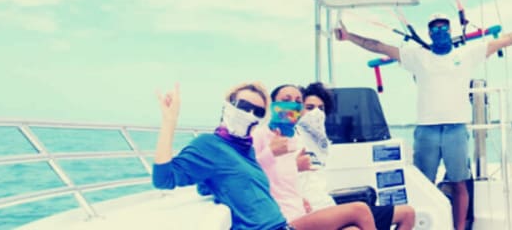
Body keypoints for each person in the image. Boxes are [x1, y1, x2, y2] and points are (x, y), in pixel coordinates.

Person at [335, 12, 512, 230]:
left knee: (459, 183)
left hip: (456, 129)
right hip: (426, 130)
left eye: (443, 27)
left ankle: (458, 228)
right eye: (435, 28)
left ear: (450, 30)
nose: (439, 31)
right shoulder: (417, 57)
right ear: (429, 32)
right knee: (423, 183)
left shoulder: (467, 54)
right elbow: (379, 46)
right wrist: (349, 36)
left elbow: (506, 39)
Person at [153, 81, 374, 230]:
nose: (249, 114)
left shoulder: (246, 149)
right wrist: (169, 121)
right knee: (360, 210)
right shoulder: (209, 145)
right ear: (228, 104)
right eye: (243, 105)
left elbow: (226, 181)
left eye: (257, 111)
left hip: (283, 224)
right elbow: (164, 178)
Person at [253, 84, 384, 229]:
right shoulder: (259, 135)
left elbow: (288, 186)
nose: (292, 105)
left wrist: (301, 199)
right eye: (286, 99)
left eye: (297, 102)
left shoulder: (296, 138)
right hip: (281, 219)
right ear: (272, 104)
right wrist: (274, 154)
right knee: (360, 209)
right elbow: (248, 175)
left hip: (301, 212)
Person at [291, 81, 416, 229]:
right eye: (310, 108)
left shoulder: (321, 144)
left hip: (329, 206)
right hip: (311, 212)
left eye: (321, 108)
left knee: (408, 213)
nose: (316, 113)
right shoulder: (290, 141)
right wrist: (295, 167)